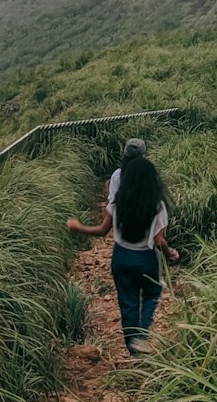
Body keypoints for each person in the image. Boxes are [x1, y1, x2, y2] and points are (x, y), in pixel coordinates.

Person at [67, 140, 178, 356]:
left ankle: (133, 351)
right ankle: (141, 335)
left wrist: (78, 226)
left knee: (127, 304)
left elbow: (101, 231)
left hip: (121, 257)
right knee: (151, 294)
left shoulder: (118, 201)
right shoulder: (157, 205)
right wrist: (170, 253)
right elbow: (159, 241)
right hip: (145, 258)